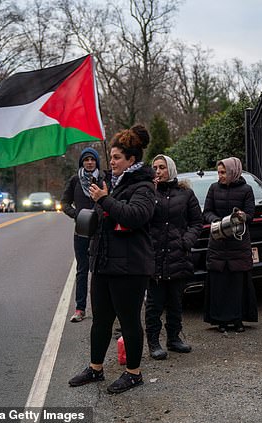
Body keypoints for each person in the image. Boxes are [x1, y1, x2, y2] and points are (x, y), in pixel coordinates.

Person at [69, 124, 155, 394]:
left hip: (130, 266)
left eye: (117, 157)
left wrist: (105, 200)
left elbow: (134, 216)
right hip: (104, 262)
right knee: (101, 321)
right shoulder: (110, 184)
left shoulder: (144, 185)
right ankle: (95, 368)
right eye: (112, 157)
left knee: (129, 321)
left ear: (131, 159)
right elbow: (104, 218)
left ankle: (133, 373)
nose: (112, 162)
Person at [145, 154, 203, 360]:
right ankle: (153, 341)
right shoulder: (148, 192)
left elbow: (197, 222)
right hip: (155, 257)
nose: (158, 171)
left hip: (178, 255)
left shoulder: (186, 194)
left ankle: (174, 338)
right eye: (155, 167)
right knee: (154, 303)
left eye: (162, 167)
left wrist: (186, 241)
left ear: (171, 168)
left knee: (176, 301)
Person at [203, 157, 258, 333]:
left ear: (233, 172)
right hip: (218, 241)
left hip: (238, 243)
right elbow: (207, 212)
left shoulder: (246, 190)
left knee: (237, 284)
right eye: (219, 172)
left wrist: (242, 217)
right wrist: (217, 221)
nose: (220, 176)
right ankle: (220, 320)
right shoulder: (213, 188)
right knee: (219, 283)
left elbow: (251, 214)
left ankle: (238, 319)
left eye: (224, 172)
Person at [61, 147, 101, 323]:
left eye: (92, 159)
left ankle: (101, 309)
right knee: (82, 270)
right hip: (82, 231)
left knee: (100, 271)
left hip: (101, 232)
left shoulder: (104, 179)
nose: (90, 162)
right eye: (86, 160)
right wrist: (76, 214)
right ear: (82, 162)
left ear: (97, 162)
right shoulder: (75, 180)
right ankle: (80, 309)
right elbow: (64, 203)